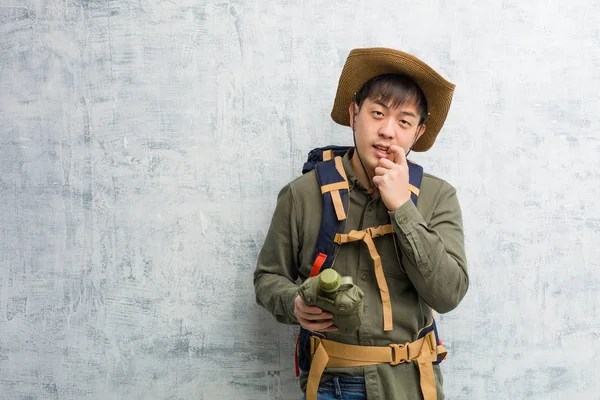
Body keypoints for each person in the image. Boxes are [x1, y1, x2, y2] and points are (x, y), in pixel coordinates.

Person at [254, 47, 469, 400]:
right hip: (332, 383)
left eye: (404, 121)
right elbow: (267, 277)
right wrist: (294, 302)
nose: (387, 131)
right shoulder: (302, 194)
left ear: (418, 132)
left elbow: (448, 294)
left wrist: (403, 208)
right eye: (377, 113)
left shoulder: (437, 196)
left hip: (413, 385)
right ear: (354, 114)